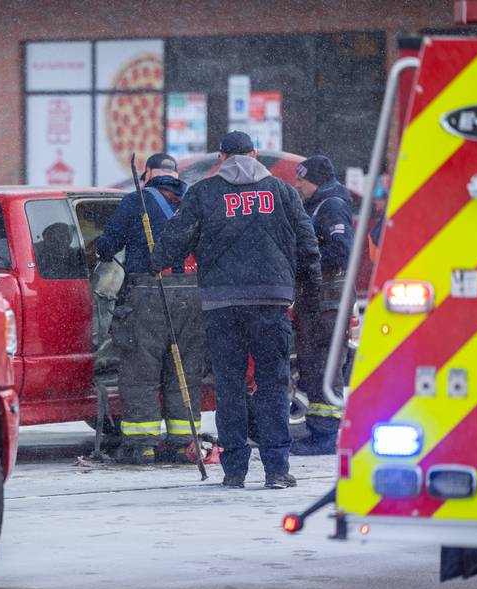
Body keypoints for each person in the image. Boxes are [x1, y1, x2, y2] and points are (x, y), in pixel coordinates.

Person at [152, 131, 321, 489]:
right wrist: (308, 290)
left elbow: (176, 239)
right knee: (273, 384)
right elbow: (308, 244)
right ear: (255, 154)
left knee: (229, 386)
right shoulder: (283, 192)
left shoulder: (204, 193)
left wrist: (157, 260)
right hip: (271, 302)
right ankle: (276, 469)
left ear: (221, 158)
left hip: (222, 304)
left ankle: (234, 470)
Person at [95, 153, 203, 464]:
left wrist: (103, 251)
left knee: (141, 369)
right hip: (191, 293)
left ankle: (142, 444)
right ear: (175, 175)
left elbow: (108, 244)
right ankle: (184, 442)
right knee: (184, 369)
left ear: (148, 175)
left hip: (149, 291)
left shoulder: (136, 202)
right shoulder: (193, 202)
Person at [292, 155, 354, 455]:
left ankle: (327, 436)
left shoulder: (331, 206)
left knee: (327, 367)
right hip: (318, 300)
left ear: (315, 179)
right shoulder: (317, 205)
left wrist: (306, 263)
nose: (297, 184)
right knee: (314, 367)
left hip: (330, 299)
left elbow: (341, 252)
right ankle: (320, 432)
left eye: (302, 179)